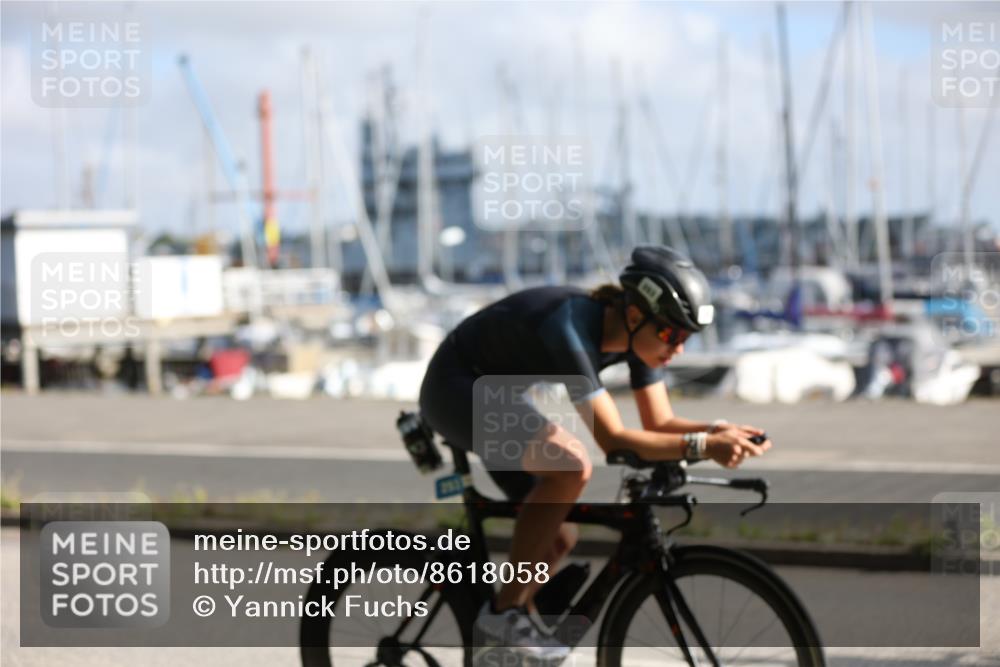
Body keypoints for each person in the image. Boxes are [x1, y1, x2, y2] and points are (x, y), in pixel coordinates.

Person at [418, 245, 772, 661]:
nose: (677, 348)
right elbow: (613, 440)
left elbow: (658, 422)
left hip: (501, 398)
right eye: (671, 334)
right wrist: (703, 447)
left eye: (685, 337)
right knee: (569, 466)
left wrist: (717, 429)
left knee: (556, 536)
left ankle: (507, 644)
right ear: (636, 314)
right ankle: (503, 615)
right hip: (455, 387)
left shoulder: (640, 338)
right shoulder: (570, 325)